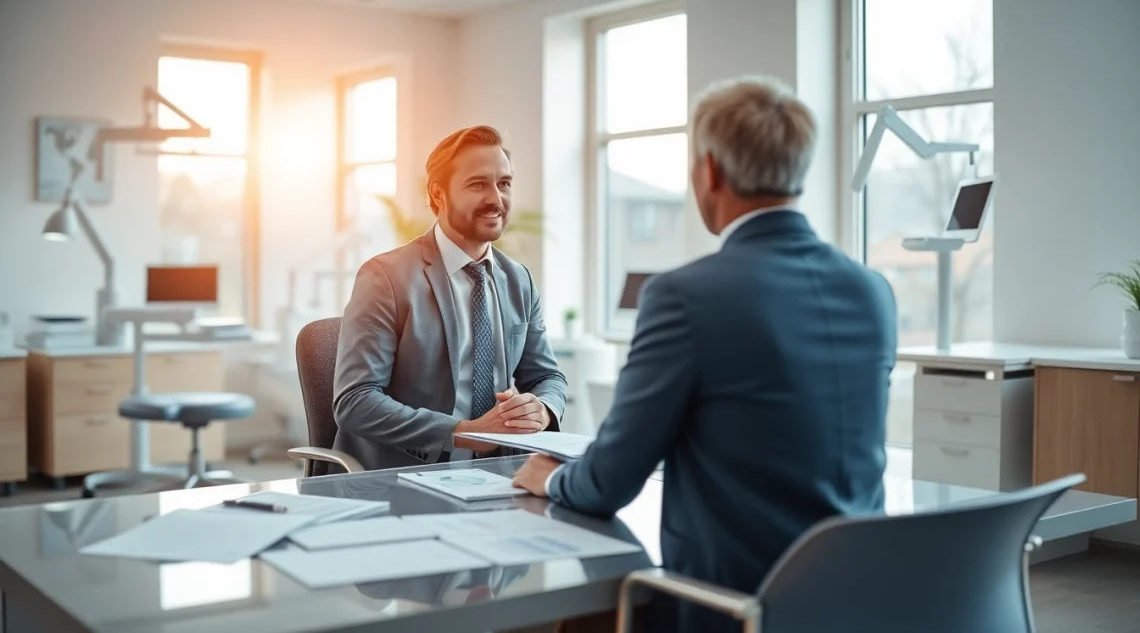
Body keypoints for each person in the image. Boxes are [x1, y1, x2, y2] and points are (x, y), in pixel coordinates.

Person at [513, 76, 898, 633]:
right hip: (853, 603)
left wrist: (546, 477)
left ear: (709, 171)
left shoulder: (684, 295)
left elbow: (607, 483)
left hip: (732, 608)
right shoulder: (872, 290)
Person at [332, 125, 568, 470]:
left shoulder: (518, 279)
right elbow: (356, 401)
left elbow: (549, 377)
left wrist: (543, 408)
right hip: (406, 474)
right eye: (478, 184)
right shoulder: (385, 277)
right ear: (439, 195)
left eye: (504, 183)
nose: (496, 198)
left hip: (501, 474)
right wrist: (461, 432)